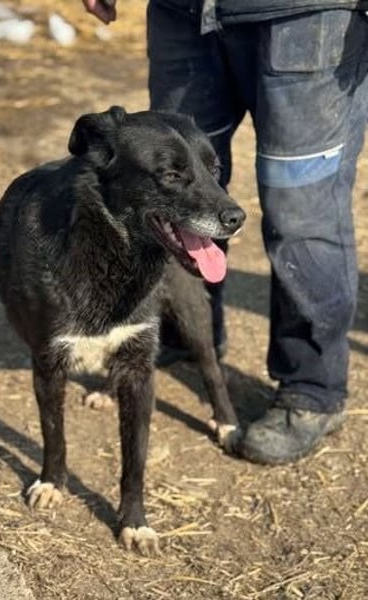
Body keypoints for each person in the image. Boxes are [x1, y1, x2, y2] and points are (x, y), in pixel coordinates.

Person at [82, 0, 368, 464]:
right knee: (173, 192)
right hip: (183, 15)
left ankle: (312, 388)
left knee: (302, 213)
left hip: (308, 18)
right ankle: (185, 332)